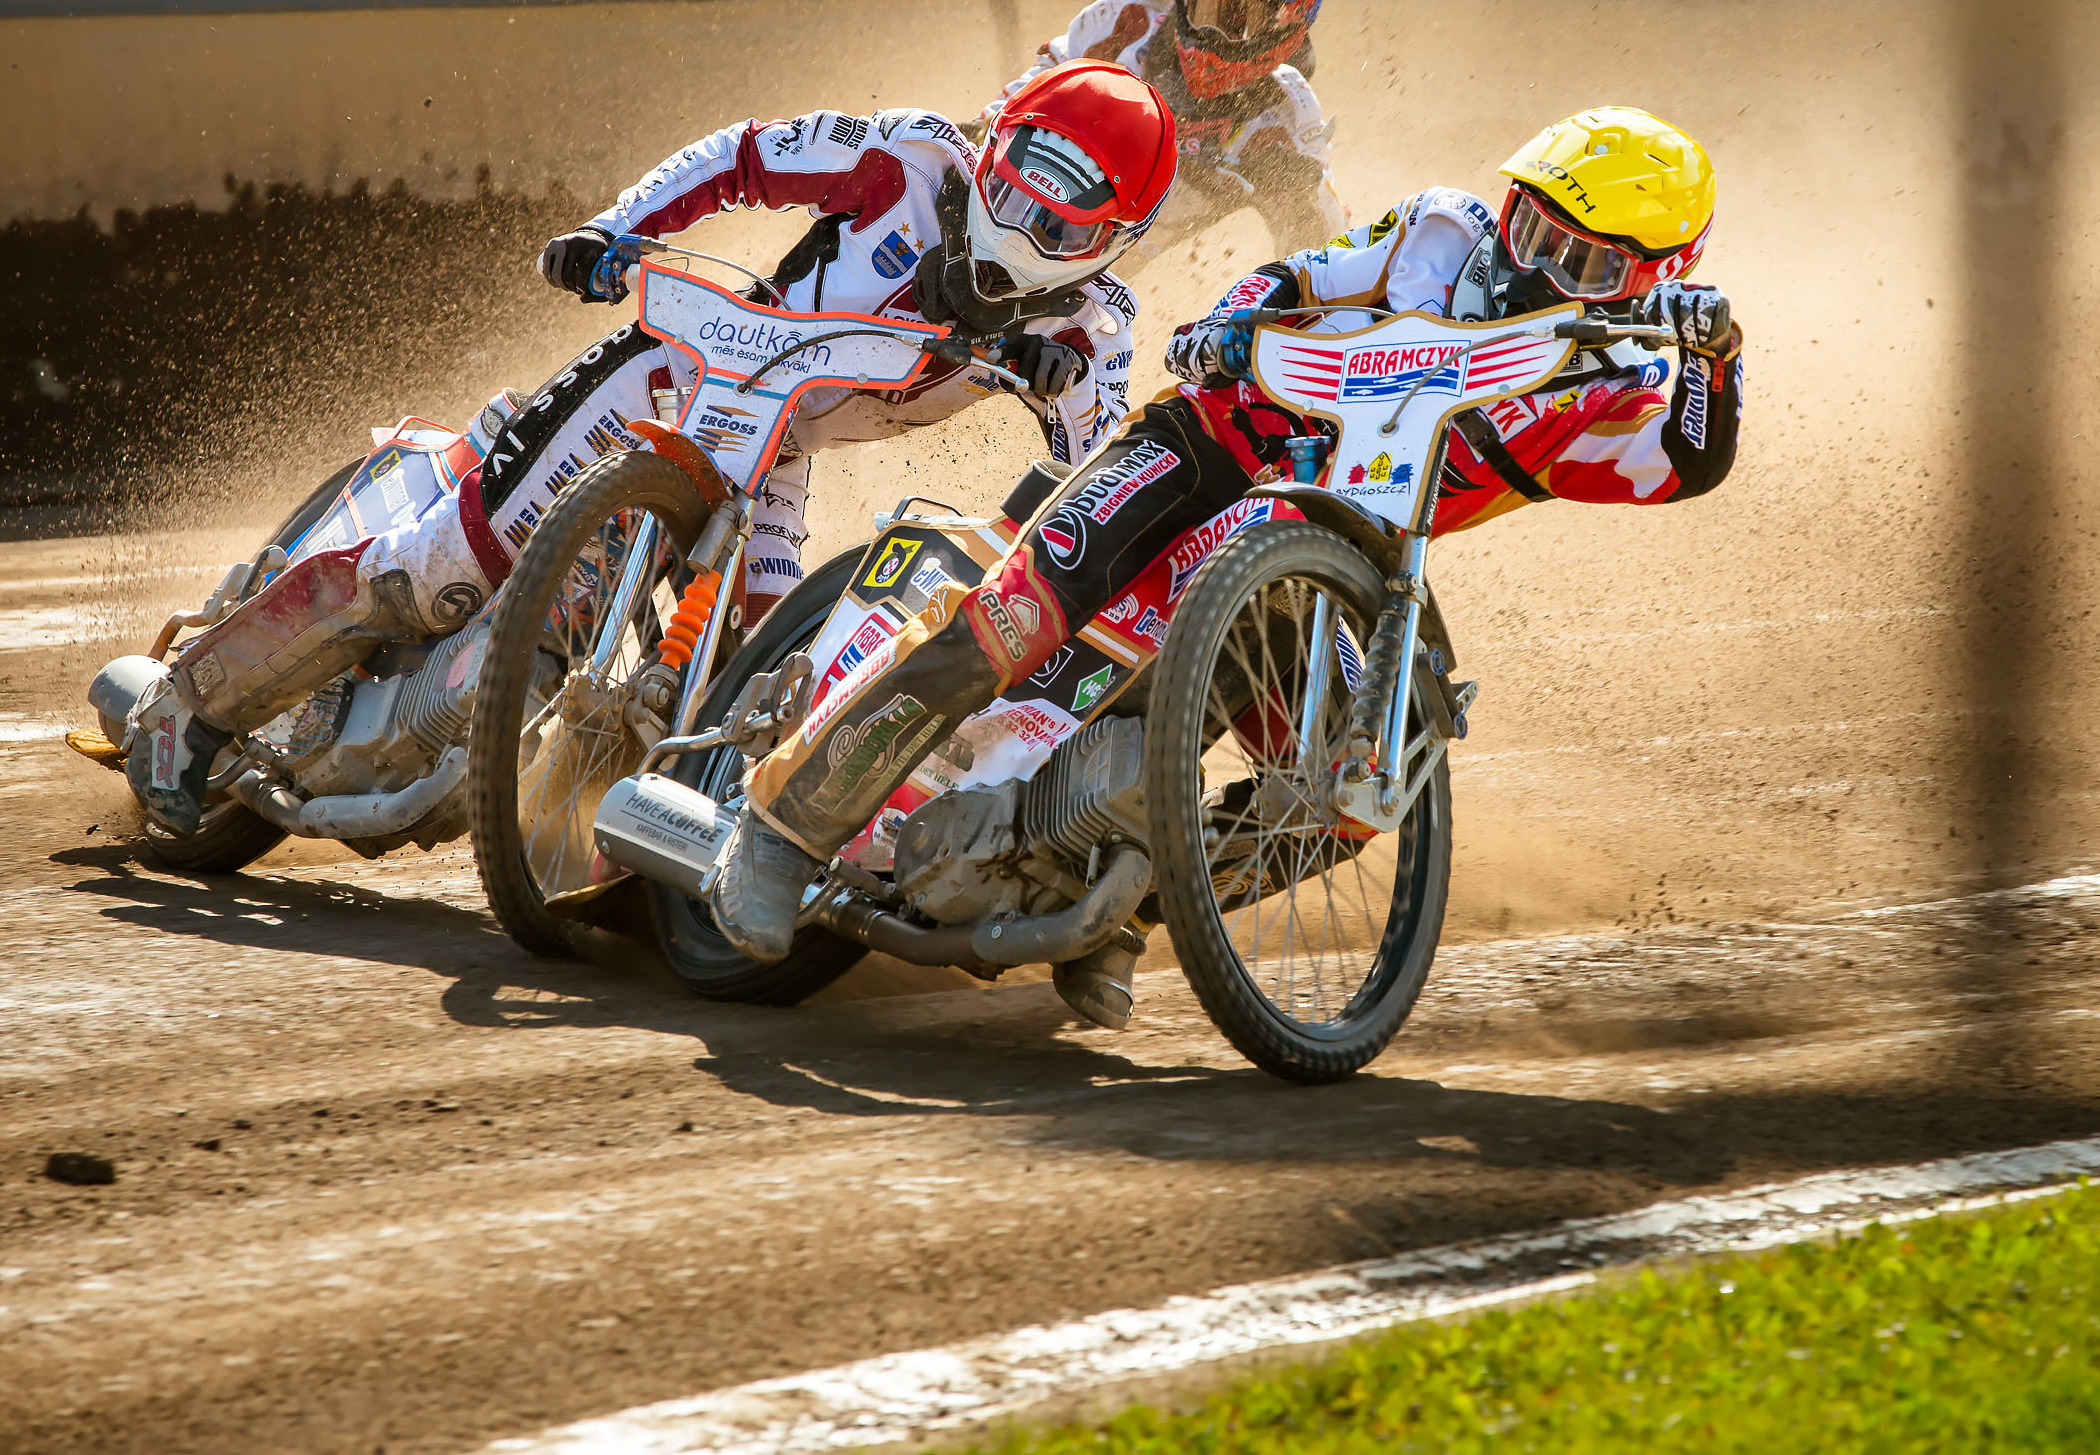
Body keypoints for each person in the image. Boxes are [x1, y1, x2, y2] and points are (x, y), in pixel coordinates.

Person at [713, 106, 1744, 1021]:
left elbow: (1687, 460)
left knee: (1346, 790)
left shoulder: (1605, 391)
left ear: (1656, 280)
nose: (1536, 267)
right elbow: (1301, 276)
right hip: (1209, 441)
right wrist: (1226, 325)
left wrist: (1714, 353)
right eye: (1533, 229)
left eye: (1584, 266)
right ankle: (783, 827)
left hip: (1327, 553)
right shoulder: (1440, 227)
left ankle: (1119, 901)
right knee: (1016, 614)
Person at [122, 61, 1178, 837]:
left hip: (783, 451)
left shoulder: (1096, 334)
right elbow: (743, 156)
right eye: (1013, 194)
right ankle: (191, 709)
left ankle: (647, 839)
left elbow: (1080, 512)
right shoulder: (907, 154)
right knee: (442, 568)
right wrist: (612, 227)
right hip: (685, 368)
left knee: (764, 679)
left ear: (1117, 242)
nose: (1020, 237)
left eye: (1063, 231)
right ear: (993, 146)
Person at [978, 0, 1344, 263]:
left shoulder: (1288, 114)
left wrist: (1297, 193)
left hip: (1117, 274)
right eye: (1198, 2)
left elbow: (1322, 261)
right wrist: (984, 127)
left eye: (1236, 19)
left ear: (1288, 21)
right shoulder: (1131, 20)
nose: (1206, 35)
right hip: (1029, 222)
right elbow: (1023, 99)